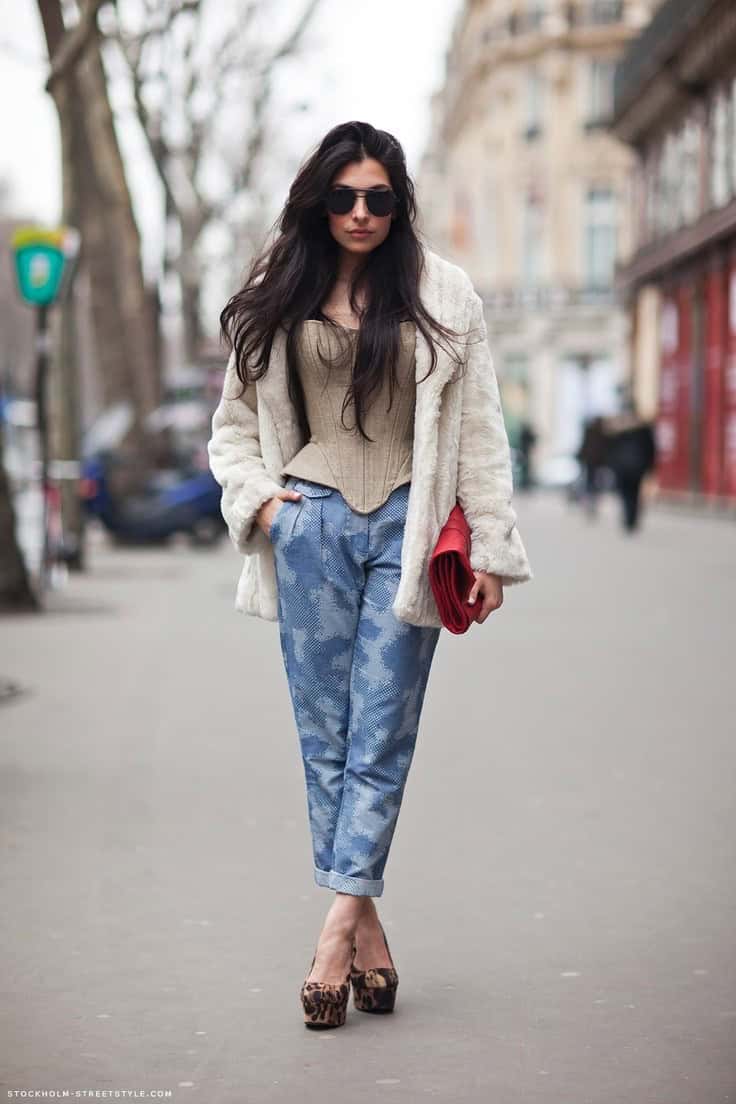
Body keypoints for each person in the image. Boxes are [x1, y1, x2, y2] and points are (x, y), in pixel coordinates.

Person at [207, 121, 533, 1029]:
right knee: (328, 735)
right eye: (345, 196)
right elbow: (234, 430)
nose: (360, 213)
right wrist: (265, 506)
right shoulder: (282, 290)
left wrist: (493, 550)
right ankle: (372, 936)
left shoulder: (444, 293)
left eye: (378, 198)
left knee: (381, 731)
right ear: (321, 200)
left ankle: (331, 937)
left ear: (400, 202)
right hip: (308, 526)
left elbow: (478, 432)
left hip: (409, 524)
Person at [603, 403, 657, 532]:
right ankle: (632, 518)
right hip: (637, 467)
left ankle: (629, 517)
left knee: (626, 494)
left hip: (622, 467)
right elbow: (651, 449)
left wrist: (611, 464)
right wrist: (650, 466)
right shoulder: (644, 429)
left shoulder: (618, 429)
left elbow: (609, 449)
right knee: (634, 493)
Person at [575, 415, 608, 518]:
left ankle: (589, 502)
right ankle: (591, 502)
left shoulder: (591, 432)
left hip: (590, 461)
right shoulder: (602, 433)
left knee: (589, 483)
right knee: (595, 483)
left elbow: (584, 446)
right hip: (597, 462)